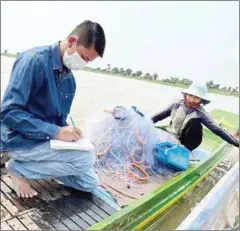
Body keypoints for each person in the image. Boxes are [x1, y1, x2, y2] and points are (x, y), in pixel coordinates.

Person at [0, 20, 106, 198]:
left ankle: (36, 169)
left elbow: (59, 121)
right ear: (72, 42)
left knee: (89, 182)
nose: (84, 64)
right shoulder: (34, 61)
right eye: (84, 57)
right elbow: (8, 112)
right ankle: (18, 169)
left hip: (45, 140)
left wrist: (73, 136)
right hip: (19, 140)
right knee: (86, 159)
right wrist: (56, 131)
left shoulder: (69, 81)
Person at [151, 83, 239, 151]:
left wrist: (236, 142)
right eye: (190, 96)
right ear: (186, 96)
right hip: (172, 135)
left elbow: (218, 129)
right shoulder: (176, 104)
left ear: (201, 101)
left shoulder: (201, 113)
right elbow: (157, 116)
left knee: (194, 123)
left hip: (187, 142)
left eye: (196, 97)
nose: (192, 100)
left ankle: (186, 150)